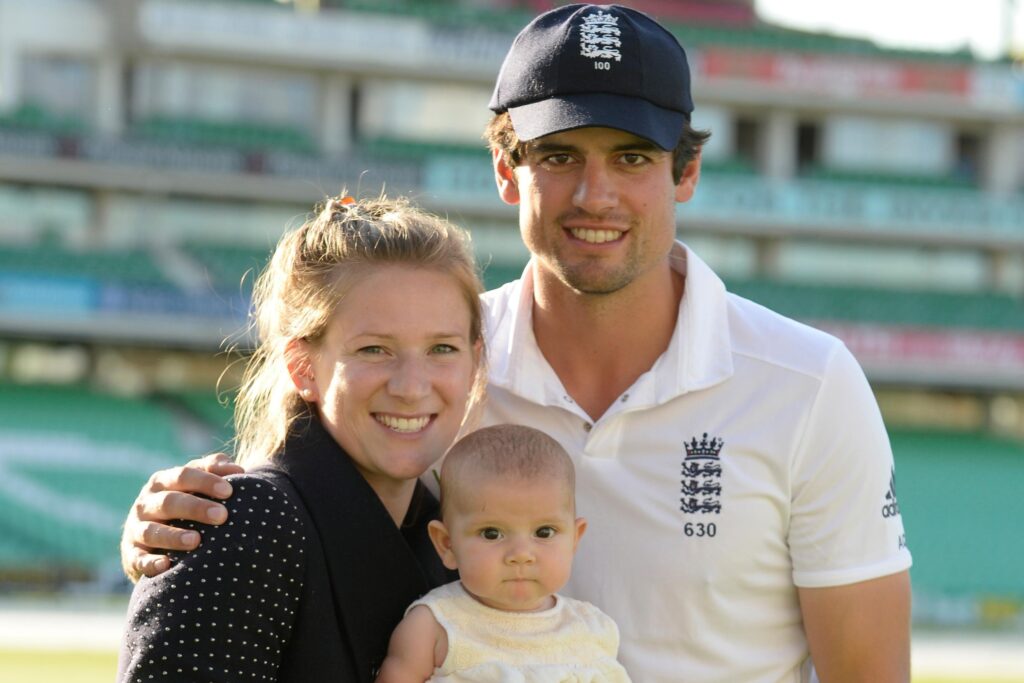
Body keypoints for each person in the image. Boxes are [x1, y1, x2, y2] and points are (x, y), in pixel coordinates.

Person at [119, 5, 913, 682]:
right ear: (506, 169)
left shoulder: (807, 382)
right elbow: (291, 505)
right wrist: (171, 534)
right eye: (558, 156)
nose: (594, 194)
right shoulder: (442, 366)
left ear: (687, 171)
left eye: (632, 158)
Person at [117, 194, 486, 682]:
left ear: (475, 360)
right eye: (374, 349)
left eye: (442, 348)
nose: (413, 386)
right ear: (303, 367)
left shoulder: (447, 534)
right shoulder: (246, 521)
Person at [377, 424, 630, 683]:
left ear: (574, 539)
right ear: (447, 544)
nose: (521, 555)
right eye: (491, 533)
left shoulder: (592, 628)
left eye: (544, 532)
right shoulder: (435, 626)